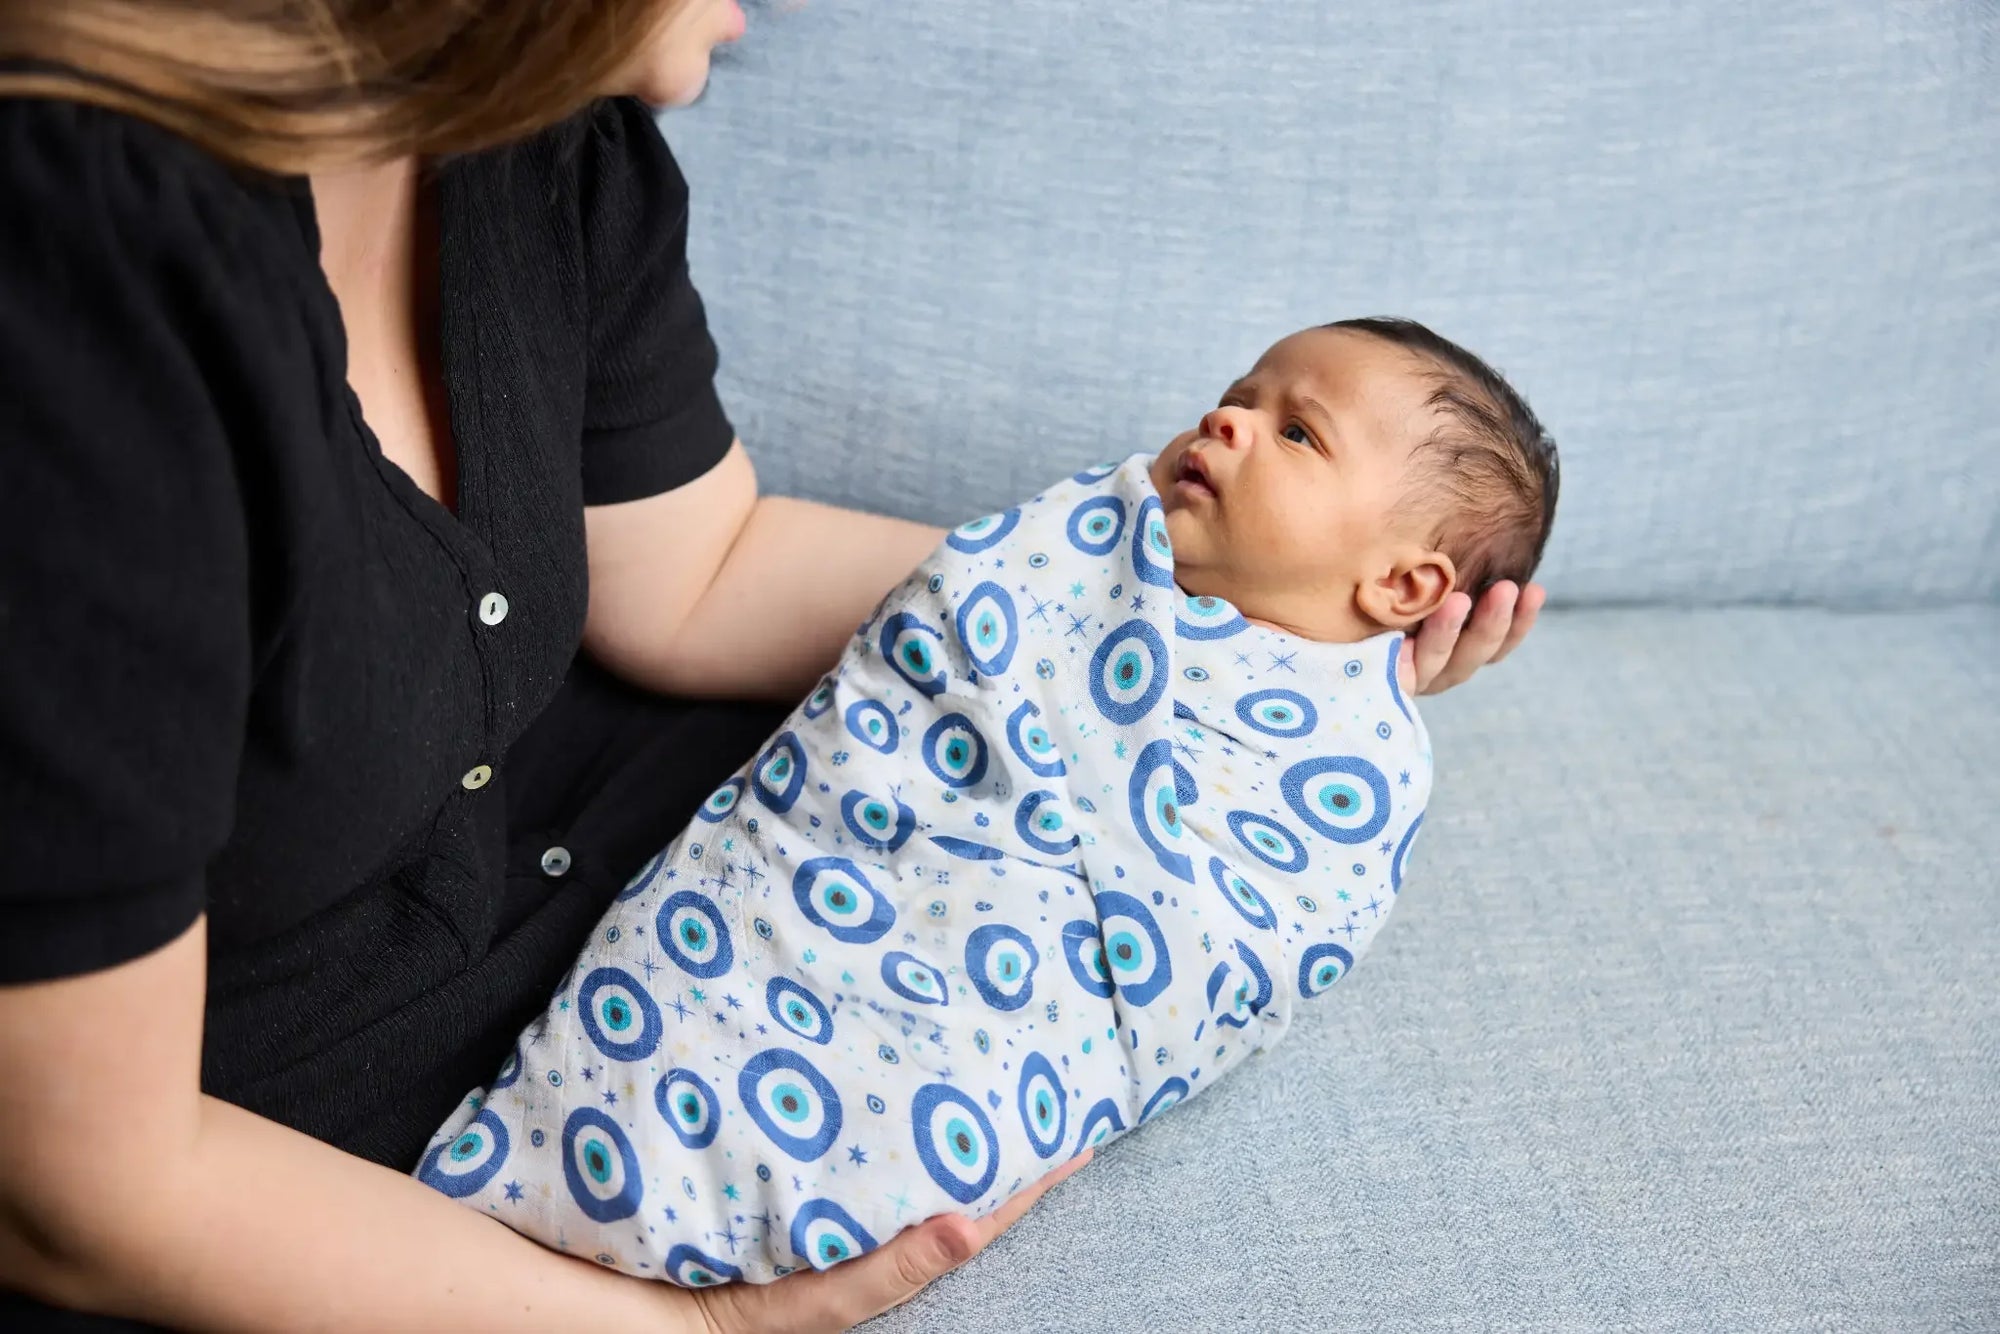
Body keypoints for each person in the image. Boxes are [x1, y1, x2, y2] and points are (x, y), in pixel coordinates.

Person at [0, 2, 1544, 1328]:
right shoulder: (86, 299)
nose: (769, 16)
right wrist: (688, 1326)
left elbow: (700, 568)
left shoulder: (543, 148)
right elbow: (81, 1188)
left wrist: (1229, 652)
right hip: (361, 1169)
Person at [418, 317, 1559, 1282]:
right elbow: (957, 636)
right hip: (820, 895)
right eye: (1237, 395)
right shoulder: (1071, 565)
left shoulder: (1348, 760)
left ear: (1402, 584)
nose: (1226, 420)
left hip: (969, 1022)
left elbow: (1250, 937)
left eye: (1296, 431)